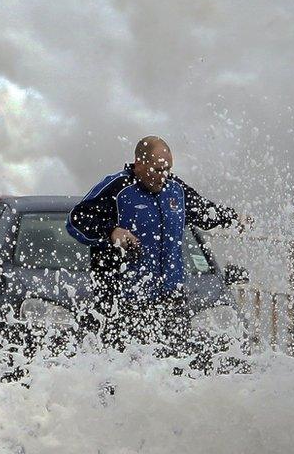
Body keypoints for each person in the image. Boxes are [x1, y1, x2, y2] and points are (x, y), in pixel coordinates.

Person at [66, 135, 244, 350]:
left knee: (175, 368)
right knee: (128, 372)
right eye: (158, 170)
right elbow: (77, 219)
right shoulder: (118, 188)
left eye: (167, 169)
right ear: (139, 163)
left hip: (172, 298)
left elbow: (206, 213)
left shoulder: (175, 189)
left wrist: (235, 218)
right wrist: (111, 232)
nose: (163, 177)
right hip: (124, 301)